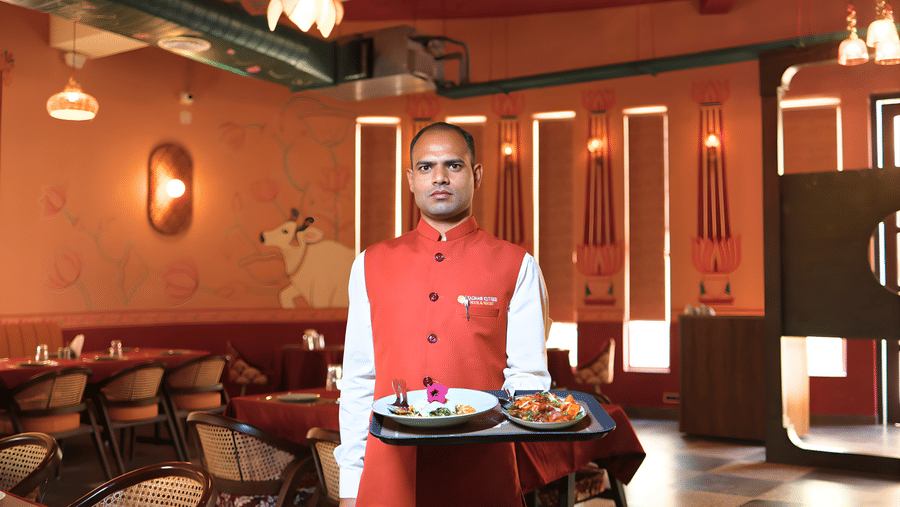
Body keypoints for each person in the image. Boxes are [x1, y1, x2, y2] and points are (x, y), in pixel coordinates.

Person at [334, 122, 552, 507]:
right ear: (411, 179)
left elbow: (528, 376)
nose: (439, 177)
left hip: (481, 471)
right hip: (389, 474)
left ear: (476, 175)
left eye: (453, 165)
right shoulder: (369, 263)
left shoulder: (518, 265)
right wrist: (352, 482)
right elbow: (358, 379)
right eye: (425, 167)